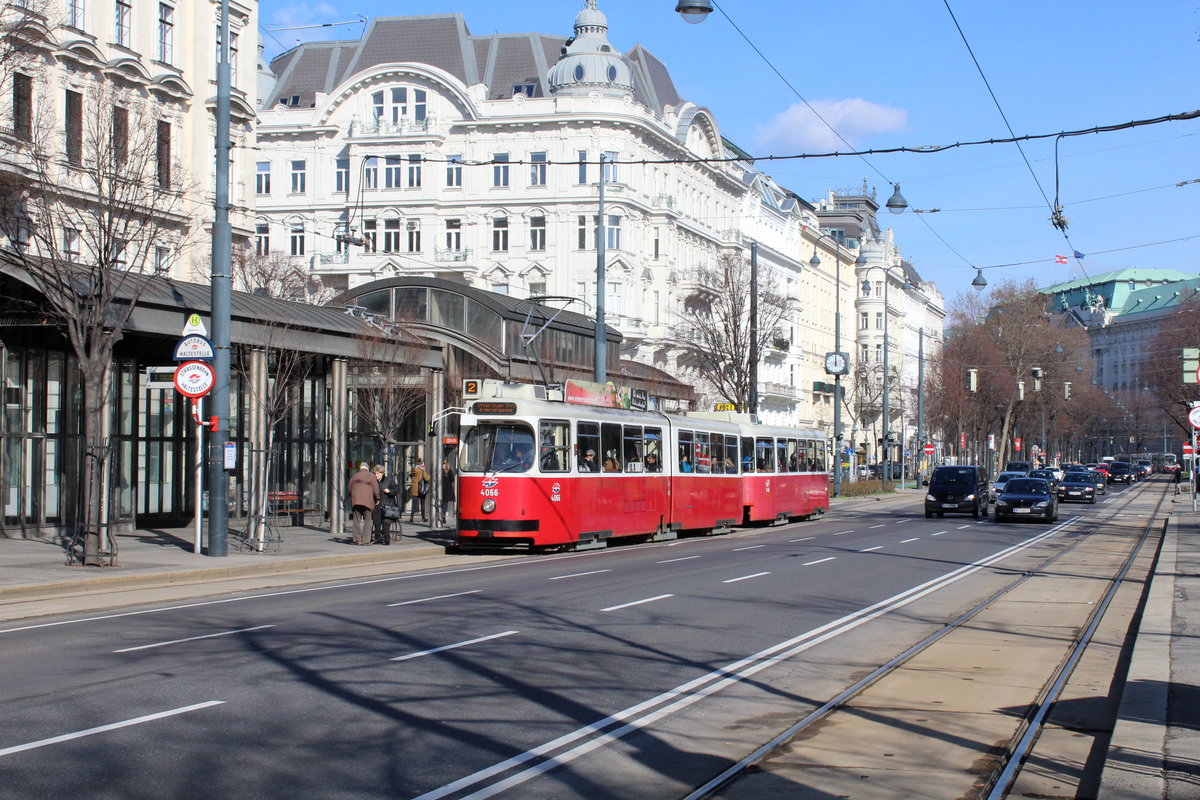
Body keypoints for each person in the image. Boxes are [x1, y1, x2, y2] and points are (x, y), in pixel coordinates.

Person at [346, 462, 379, 546]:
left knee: (356, 520)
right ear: (367, 468)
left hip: (356, 501)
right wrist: (377, 498)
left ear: (360, 468)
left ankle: (357, 539)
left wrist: (352, 496)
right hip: (367, 502)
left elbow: (349, 489)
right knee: (368, 520)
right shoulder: (371, 476)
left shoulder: (354, 476)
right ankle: (366, 540)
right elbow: (376, 489)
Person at [372, 464, 401, 544]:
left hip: (387, 505)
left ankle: (386, 539)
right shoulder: (373, 481)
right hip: (377, 505)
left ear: (382, 473)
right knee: (377, 522)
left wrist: (390, 491)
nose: (376, 475)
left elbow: (397, 489)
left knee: (386, 523)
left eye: (377, 473)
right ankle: (377, 538)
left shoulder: (389, 480)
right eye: (375, 473)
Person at [407, 457, 430, 523]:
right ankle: (423, 518)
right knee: (422, 504)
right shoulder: (422, 470)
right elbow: (426, 478)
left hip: (414, 488)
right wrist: (430, 476)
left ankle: (411, 517)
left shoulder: (413, 469)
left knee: (414, 504)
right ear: (421, 463)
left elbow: (412, 476)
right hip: (421, 489)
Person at [439, 458, 456, 526]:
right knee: (445, 503)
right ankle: (443, 516)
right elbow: (452, 479)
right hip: (447, 489)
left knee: (441, 502)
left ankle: (441, 515)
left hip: (441, 488)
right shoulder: (449, 470)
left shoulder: (440, 471)